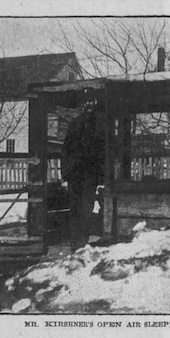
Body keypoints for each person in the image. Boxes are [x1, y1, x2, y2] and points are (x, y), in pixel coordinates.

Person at [61, 99, 105, 252]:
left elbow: (102, 152)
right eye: (86, 105)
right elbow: (66, 149)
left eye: (92, 104)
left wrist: (101, 177)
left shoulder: (99, 125)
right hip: (75, 174)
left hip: (90, 175)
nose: (89, 108)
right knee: (75, 209)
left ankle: (82, 243)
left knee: (87, 208)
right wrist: (65, 174)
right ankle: (75, 242)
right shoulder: (75, 123)